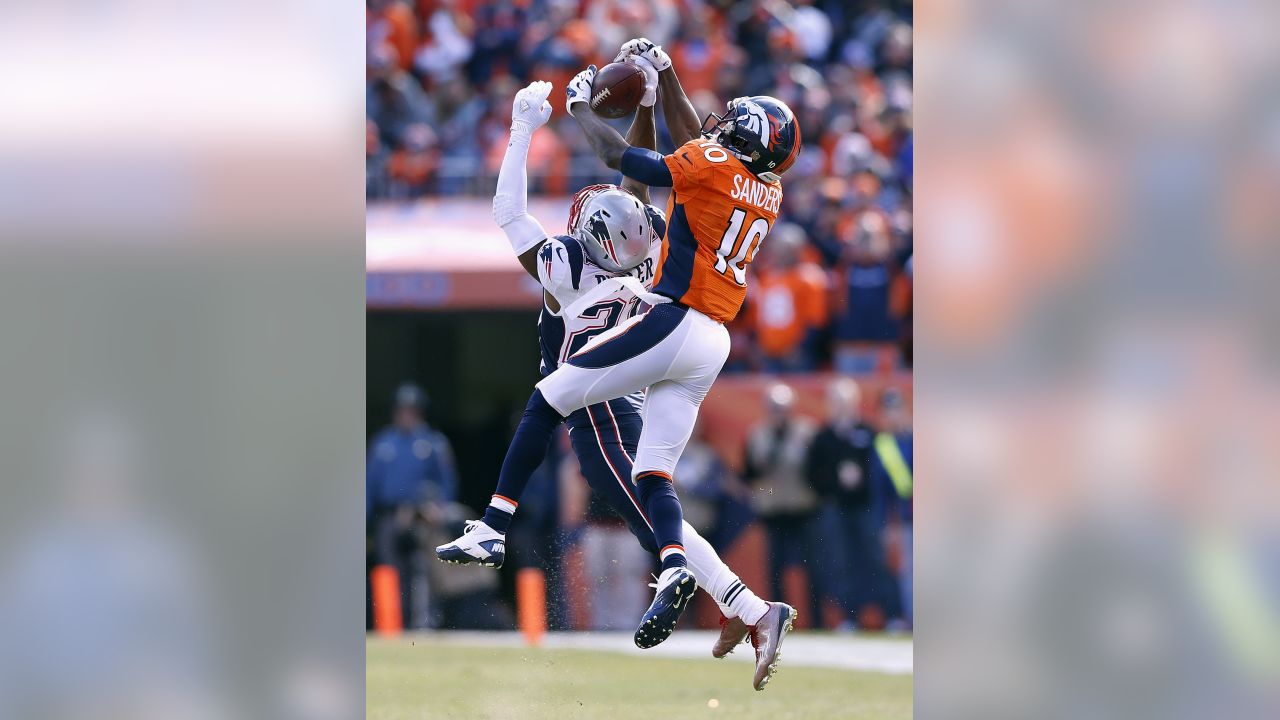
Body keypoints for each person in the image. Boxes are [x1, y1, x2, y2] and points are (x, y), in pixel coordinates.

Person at [433, 75, 788, 688]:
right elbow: (634, 190)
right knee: (655, 491)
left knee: (638, 504)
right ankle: (744, 606)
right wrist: (647, 101)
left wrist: (522, 130)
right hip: (662, 363)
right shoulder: (648, 253)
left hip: (603, 401)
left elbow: (512, 212)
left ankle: (494, 525)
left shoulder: (565, 263)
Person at [806, 377, 898, 627]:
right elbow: (811, 475)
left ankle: (890, 616)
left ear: (855, 403)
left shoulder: (869, 432)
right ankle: (849, 617)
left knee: (875, 558)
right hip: (836, 507)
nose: (842, 406)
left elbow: (882, 469)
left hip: (866, 506)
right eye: (837, 401)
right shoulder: (822, 437)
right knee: (841, 561)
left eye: (846, 401)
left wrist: (862, 479)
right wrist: (834, 481)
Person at [366, 383, 459, 629]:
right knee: (390, 570)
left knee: (427, 569)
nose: (406, 415)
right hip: (390, 515)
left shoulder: (433, 443)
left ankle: (426, 622)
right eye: (402, 410)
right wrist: (366, 523)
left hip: (422, 516)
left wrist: (437, 507)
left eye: (412, 410)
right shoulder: (383, 443)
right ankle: (391, 623)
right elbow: (368, 484)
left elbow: (447, 482)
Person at [742, 383, 822, 622]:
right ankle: (780, 620)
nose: (779, 413)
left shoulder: (806, 431)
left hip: (803, 508)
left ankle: (817, 620)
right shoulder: (758, 434)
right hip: (773, 510)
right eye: (774, 408)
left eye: (782, 408)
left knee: (812, 567)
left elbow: (818, 468)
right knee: (775, 568)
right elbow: (749, 472)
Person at [872, 387, 913, 627]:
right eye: (888, 411)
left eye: (896, 409)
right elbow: (879, 491)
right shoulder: (882, 444)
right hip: (903, 519)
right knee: (908, 574)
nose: (893, 415)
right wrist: (885, 526)